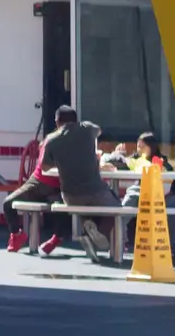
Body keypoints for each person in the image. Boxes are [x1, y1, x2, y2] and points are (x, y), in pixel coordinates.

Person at [7, 104, 111, 256]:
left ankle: (59, 237)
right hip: (41, 181)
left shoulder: (76, 137)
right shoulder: (54, 140)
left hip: (60, 184)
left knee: (63, 204)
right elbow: (43, 167)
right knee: (10, 203)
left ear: (57, 121)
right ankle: (17, 235)